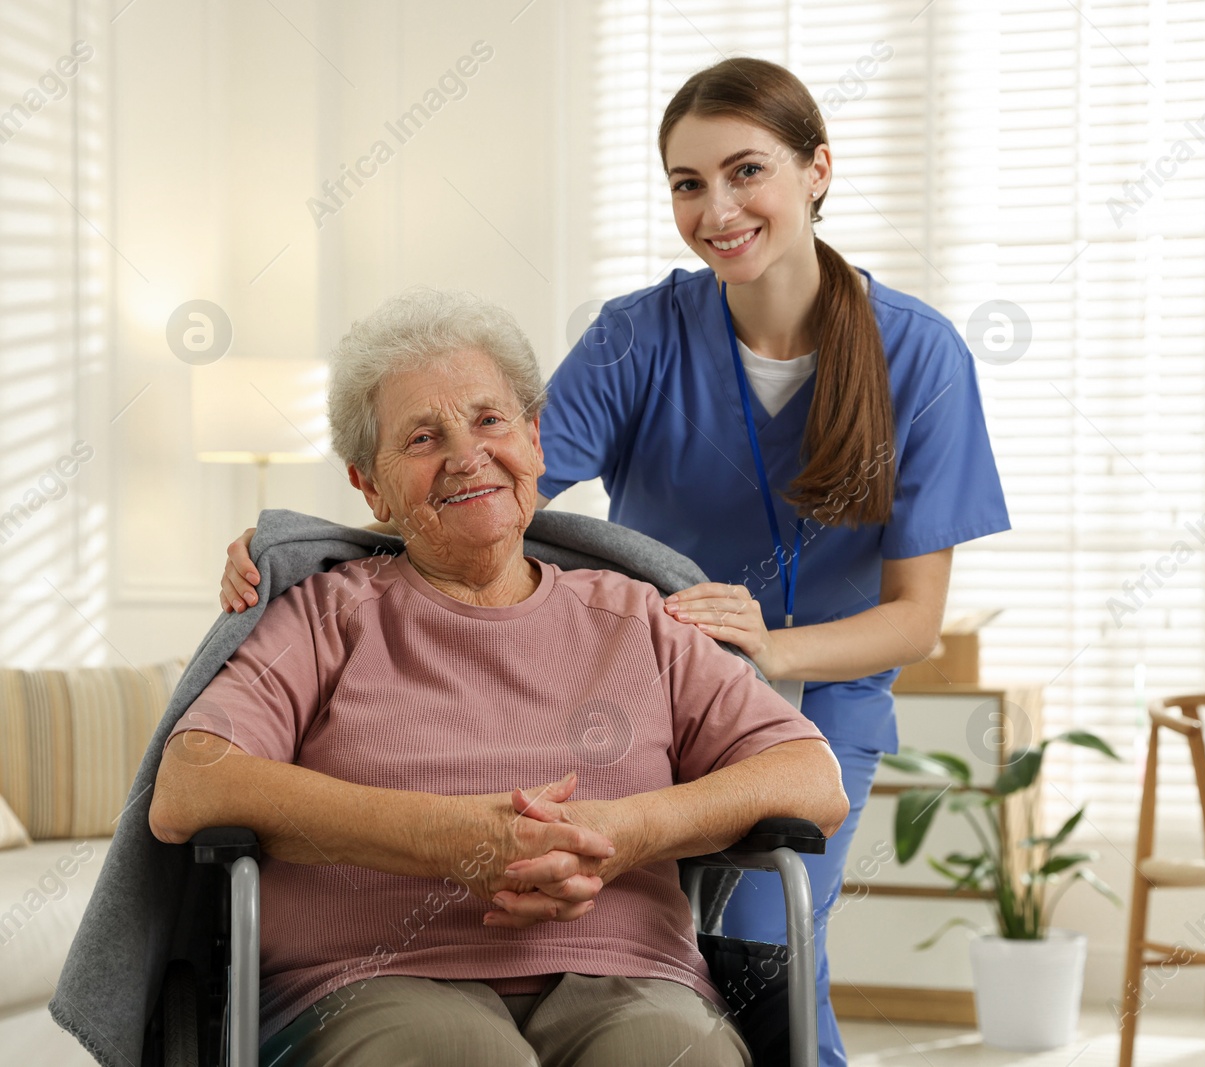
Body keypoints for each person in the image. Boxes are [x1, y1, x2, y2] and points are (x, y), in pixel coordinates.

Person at [214, 58, 1009, 1066]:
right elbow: (488, 483)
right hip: (646, 680)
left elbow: (913, 617)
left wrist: (768, 643)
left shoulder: (919, 354)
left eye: (745, 171)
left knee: (766, 962)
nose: (715, 208)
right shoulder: (639, 336)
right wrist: (299, 546)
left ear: (817, 170)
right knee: (656, 957)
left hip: (820, 688)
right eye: (686, 183)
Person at [153, 289, 849, 1067]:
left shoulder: (637, 616)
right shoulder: (323, 616)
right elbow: (190, 783)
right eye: (422, 437)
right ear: (370, 487)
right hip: (374, 977)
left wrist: (626, 831)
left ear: (536, 439)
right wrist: (446, 839)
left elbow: (814, 779)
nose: (466, 454)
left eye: (490, 420)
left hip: (629, 974)